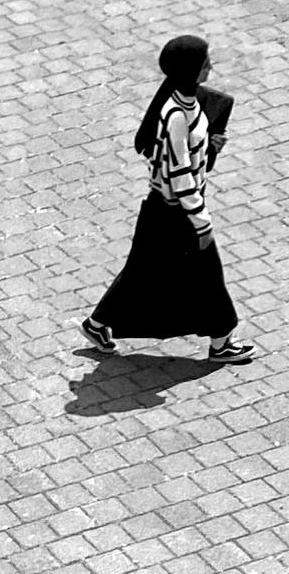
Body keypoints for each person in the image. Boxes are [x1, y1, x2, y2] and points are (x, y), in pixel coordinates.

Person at [82, 33, 254, 366]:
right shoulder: (177, 115)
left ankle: (97, 325)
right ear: (192, 70)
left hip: (161, 209)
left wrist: (208, 147)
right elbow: (179, 174)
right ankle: (221, 343)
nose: (211, 67)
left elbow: (180, 155)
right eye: (206, 63)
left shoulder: (184, 101)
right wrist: (201, 219)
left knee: (142, 271)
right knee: (208, 275)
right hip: (177, 212)